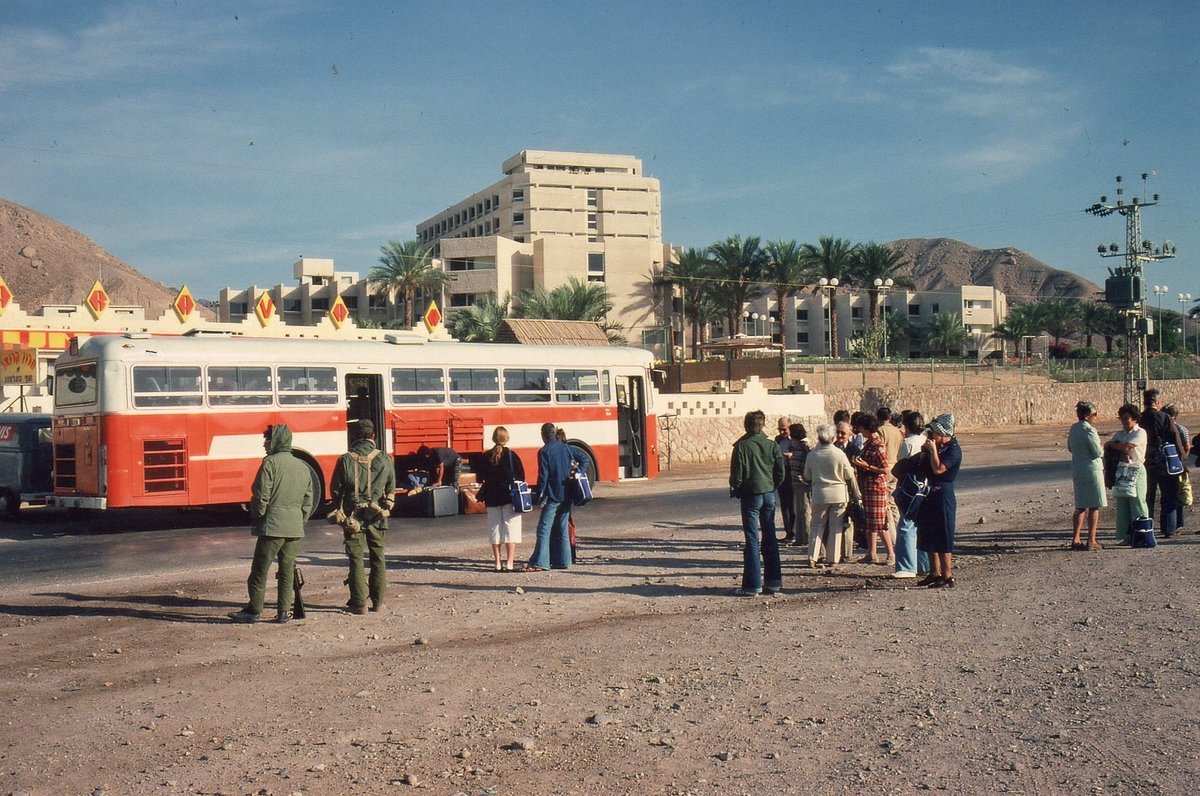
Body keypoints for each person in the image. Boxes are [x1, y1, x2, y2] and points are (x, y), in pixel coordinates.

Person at [229, 424, 315, 624]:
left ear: (275, 441)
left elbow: (261, 496)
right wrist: (299, 521)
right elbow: (308, 500)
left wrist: (258, 516)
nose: (264, 444)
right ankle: (283, 612)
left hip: (272, 526)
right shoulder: (302, 466)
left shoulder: (270, 464)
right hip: (294, 528)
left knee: (260, 570)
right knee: (286, 570)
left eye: (267, 440)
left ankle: (254, 610)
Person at [331, 418, 396, 614]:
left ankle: (359, 603)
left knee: (356, 558)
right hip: (377, 515)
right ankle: (378, 602)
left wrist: (339, 511)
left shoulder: (344, 459)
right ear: (373, 436)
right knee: (378, 557)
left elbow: (335, 490)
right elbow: (391, 488)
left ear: (354, 436)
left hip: (352, 516)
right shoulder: (385, 459)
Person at [729, 410, 785, 596]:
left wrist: (736, 489)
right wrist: (772, 485)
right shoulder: (771, 444)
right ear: (762, 425)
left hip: (751, 495)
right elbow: (780, 471)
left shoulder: (742, 446)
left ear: (746, 425)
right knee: (770, 537)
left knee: (752, 540)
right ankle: (774, 581)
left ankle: (752, 585)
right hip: (768, 493)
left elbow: (737, 475)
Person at [804, 422, 860, 567]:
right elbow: (849, 475)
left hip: (819, 493)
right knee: (836, 527)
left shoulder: (812, 454)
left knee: (816, 525)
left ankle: (812, 557)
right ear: (833, 437)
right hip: (838, 493)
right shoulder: (839, 454)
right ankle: (833, 558)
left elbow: (807, 476)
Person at [917, 414, 962, 588]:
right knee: (929, 534)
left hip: (943, 494)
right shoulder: (937, 447)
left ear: (943, 433)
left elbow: (938, 469)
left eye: (934, 432)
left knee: (943, 534)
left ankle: (947, 574)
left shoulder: (953, 450)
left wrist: (934, 451)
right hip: (929, 493)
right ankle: (934, 572)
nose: (932, 436)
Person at [524, 422, 576, 571]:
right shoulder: (565, 447)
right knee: (562, 527)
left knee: (544, 528)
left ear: (543, 435)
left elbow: (544, 475)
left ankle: (541, 561)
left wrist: (540, 495)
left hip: (553, 493)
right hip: (567, 491)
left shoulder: (544, 451)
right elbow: (573, 465)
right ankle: (564, 560)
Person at [473, 426, 525, 571]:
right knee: (510, 528)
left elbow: (480, 477)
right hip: (509, 497)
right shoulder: (511, 455)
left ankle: (497, 562)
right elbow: (521, 476)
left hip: (491, 497)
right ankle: (509, 562)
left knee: (494, 528)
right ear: (506, 438)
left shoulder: (485, 456)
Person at [1139, 388, 1184, 538]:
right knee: (1169, 496)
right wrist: (1181, 459)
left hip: (1146, 462)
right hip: (1165, 463)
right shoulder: (1164, 417)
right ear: (1157, 402)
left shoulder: (1139, 418)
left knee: (1147, 497)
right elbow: (1175, 437)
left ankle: (1147, 527)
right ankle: (1169, 529)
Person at [854, 415, 896, 565]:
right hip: (869, 487)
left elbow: (885, 468)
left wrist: (867, 467)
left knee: (879, 523)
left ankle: (890, 554)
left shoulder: (878, 445)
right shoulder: (869, 444)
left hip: (877, 488)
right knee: (872, 522)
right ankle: (872, 554)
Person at [1106, 403, 1149, 545]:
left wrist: (1115, 446)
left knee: (1137, 502)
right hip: (1122, 469)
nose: (1124, 421)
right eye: (1122, 418)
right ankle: (1127, 536)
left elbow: (1125, 446)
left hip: (1136, 469)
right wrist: (1116, 446)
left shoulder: (1140, 433)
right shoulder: (1119, 434)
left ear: (1135, 419)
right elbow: (1108, 446)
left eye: (1127, 418)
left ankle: (1142, 535)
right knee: (1123, 504)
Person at [891, 410, 927, 578]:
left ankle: (906, 566)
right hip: (925, 487)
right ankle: (924, 564)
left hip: (910, 488)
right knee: (922, 526)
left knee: (906, 526)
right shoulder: (926, 441)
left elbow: (902, 465)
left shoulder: (908, 443)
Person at [1067, 401, 1107, 551]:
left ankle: (1076, 538)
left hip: (1078, 468)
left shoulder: (1073, 428)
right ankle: (1091, 539)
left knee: (1080, 505)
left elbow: (1070, 447)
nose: (1096, 417)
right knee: (1094, 505)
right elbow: (1097, 452)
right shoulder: (1090, 431)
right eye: (1094, 414)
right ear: (1087, 415)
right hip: (1092, 470)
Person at [1162, 403, 1190, 532]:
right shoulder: (1181, 428)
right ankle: (1177, 523)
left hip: (1172, 464)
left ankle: (1176, 523)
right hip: (1176, 464)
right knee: (1176, 493)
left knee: (1175, 493)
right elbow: (1187, 447)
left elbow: (1186, 447)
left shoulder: (1175, 428)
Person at [787, 423, 812, 548]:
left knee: (805, 510)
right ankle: (799, 538)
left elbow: (808, 464)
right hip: (796, 482)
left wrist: (805, 477)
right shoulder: (796, 446)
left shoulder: (804, 447)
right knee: (799, 511)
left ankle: (806, 537)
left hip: (803, 483)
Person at [775, 416, 796, 542]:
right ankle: (788, 532)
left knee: (792, 504)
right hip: (782, 472)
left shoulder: (795, 440)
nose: (782, 432)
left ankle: (794, 532)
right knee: (784, 504)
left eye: (784, 429)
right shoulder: (778, 440)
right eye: (780, 429)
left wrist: (791, 455)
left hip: (792, 471)